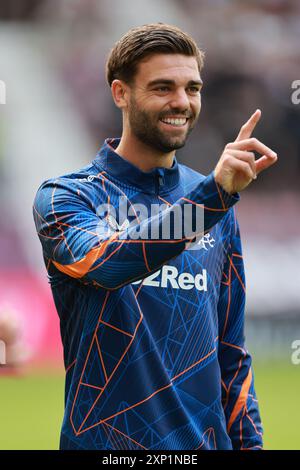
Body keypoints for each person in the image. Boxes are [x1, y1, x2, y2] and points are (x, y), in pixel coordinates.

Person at [33, 23, 277, 450]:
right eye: (163, 87)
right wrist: (213, 198)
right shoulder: (66, 197)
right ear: (120, 93)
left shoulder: (215, 204)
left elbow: (232, 356)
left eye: (192, 88)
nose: (181, 102)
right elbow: (107, 264)